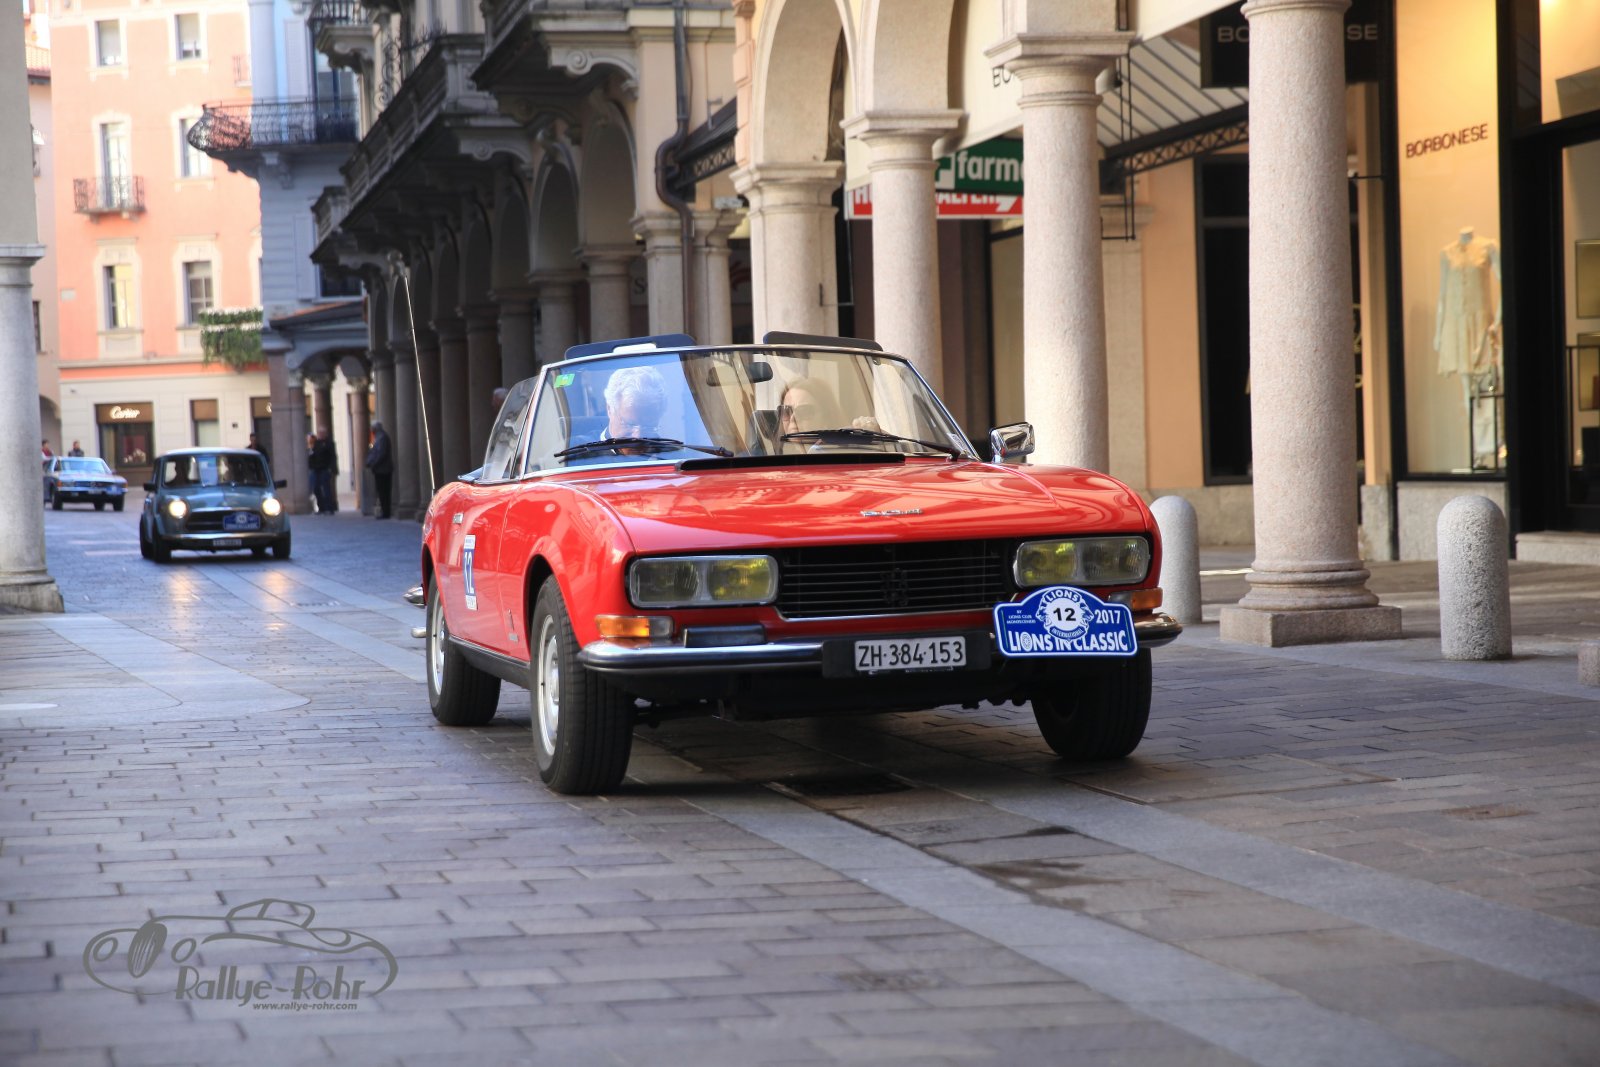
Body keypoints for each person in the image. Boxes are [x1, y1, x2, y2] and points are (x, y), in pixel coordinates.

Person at [365, 422, 394, 519]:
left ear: (375, 428)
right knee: (381, 491)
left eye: (372, 428)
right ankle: (384, 511)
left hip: (383, 470)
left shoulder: (382, 438)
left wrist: (373, 463)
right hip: (380, 469)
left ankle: (386, 512)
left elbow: (381, 453)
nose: (371, 430)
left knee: (384, 491)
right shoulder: (378, 437)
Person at [308, 427, 339, 514]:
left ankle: (329, 508)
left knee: (326, 489)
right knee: (316, 488)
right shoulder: (316, 443)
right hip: (316, 469)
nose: (320, 435)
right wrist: (311, 465)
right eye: (319, 433)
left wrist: (332, 468)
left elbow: (333, 456)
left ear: (325, 434)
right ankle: (321, 507)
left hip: (325, 469)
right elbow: (312, 455)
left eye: (322, 433)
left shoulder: (329, 443)